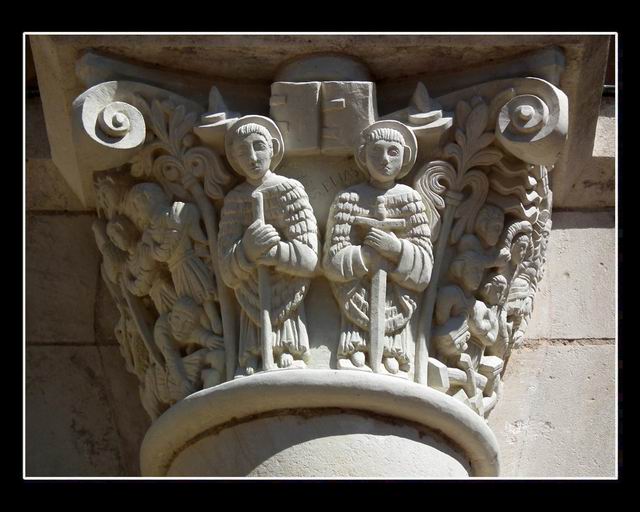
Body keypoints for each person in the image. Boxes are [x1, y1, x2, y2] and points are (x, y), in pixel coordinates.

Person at [323, 120, 433, 375]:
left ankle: (392, 349)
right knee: (356, 352)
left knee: (392, 355)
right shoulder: (348, 199)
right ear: (362, 156)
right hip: (357, 296)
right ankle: (356, 345)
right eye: (376, 151)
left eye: (393, 152)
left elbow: (424, 270)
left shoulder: (410, 200)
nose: (384, 159)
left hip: (396, 297)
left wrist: (395, 249)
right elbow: (331, 261)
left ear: (405, 156)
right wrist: (365, 255)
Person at [218, 116, 319, 375]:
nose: (252, 157)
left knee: (287, 350)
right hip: (251, 295)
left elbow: (309, 259)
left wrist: (274, 252)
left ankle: (288, 349)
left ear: (273, 148)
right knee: (253, 352)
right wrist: (246, 250)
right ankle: (255, 353)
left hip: (286, 292)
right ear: (234, 158)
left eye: (259, 146)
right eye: (243, 152)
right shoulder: (234, 200)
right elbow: (226, 272)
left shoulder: (289, 190)